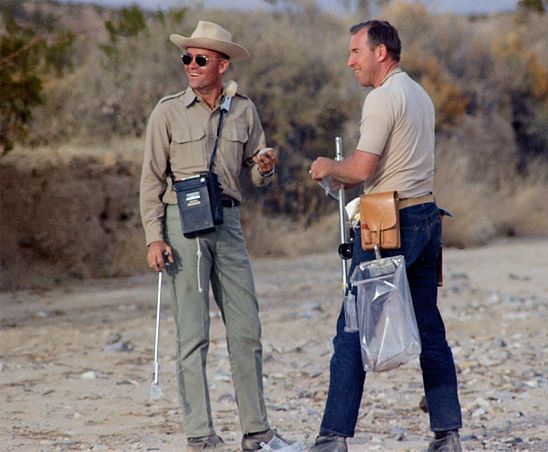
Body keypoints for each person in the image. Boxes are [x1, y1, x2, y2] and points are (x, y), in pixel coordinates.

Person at [308, 20, 463, 452]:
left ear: (381, 53)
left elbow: (359, 170)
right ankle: (447, 433)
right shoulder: (420, 95)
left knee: (352, 329)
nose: (350, 61)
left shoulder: (381, 99)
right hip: (427, 217)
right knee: (430, 328)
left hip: (387, 225)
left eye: (356, 51)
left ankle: (332, 437)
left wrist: (326, 167)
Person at [139, 21, 288, 451]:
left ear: (221, 64)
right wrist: (154, 237)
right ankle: (200, 435)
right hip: (181, 227)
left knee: (246, 328)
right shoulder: (166, 111)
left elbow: (258, 175)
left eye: (200, 59)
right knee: (193, 332)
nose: (190, 65)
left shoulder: (245, 110)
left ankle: (256, 430)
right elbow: (150, 180)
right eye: (187, 58)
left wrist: (265, 167)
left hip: (229, 225)